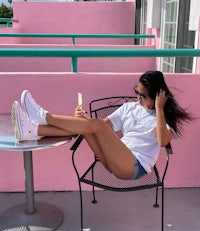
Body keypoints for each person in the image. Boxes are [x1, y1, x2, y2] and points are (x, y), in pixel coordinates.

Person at [11, 71, 192, 181]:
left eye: (143, 95)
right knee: (87, 126)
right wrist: (81, 120)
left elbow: (162, 141)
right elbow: (100, 127)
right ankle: (32, 130)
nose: (137, 98)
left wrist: (160, 109)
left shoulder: (164, 118)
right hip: (112, 160)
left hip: (133, 167)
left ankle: (43, 117)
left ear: (157, 96)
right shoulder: (130, 108)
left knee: (93, 125)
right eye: (136, 92)